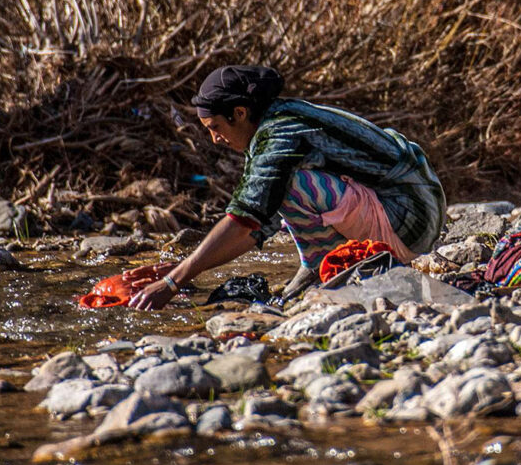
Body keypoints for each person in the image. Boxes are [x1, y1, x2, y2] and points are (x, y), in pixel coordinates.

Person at [128, 65, 446, 310]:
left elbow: (246, 221)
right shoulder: (277, 123)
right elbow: (260, 224)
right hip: (414, 206)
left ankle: (321, 267)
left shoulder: (280, 134)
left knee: (290, 185)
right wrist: (190, 265)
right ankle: (314, 272)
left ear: (239, 113)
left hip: (410, 217)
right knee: (273, 189)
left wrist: (173, 281)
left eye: (216, 128)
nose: (215, 139)